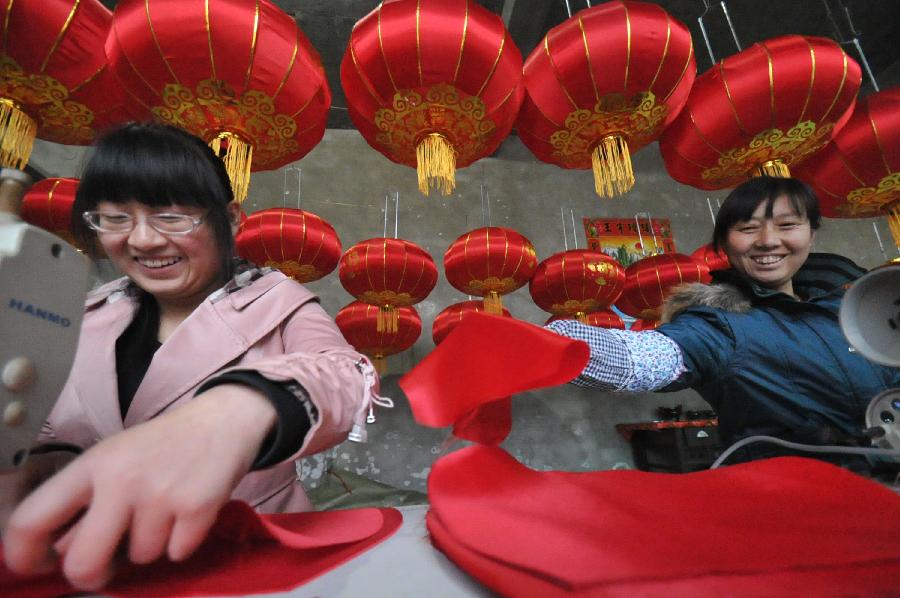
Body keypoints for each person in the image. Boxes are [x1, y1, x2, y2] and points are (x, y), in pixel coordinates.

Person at [2, 122, 385, 590]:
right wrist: (49, 461)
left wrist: (246, 404)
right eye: (116, 218)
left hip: (243, 566)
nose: (141, 240)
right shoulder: (84, 314)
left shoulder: (279, 301)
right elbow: (47, 417)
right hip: (93, 562)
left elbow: (346, 374)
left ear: (231, 220)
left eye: (170, 216)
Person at [548, 176, 900, 464]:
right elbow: (641, 358)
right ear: (724, 245)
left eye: (787, 224)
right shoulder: (719, 326)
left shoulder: (859, 309)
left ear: (811, 232)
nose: (767, 241)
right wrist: (540, 342)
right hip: (793, 514)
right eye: (747, 228)